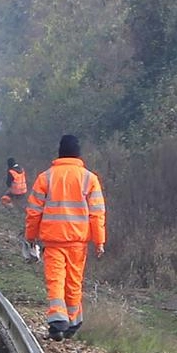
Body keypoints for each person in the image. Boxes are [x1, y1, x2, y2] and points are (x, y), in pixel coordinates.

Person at [25, 135, 106, 341]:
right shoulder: (90, 178)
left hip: (53, 240)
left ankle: (58, 321)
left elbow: (34, 211)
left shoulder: (46, 177)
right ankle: (73, 320)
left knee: (55, 279)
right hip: (78, 242)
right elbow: (97, 213)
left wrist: (31, 236)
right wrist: (99, 241)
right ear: (79, 153)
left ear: (59, 152)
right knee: (74, 281)